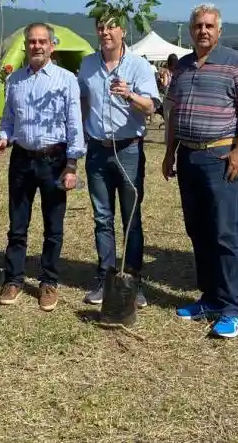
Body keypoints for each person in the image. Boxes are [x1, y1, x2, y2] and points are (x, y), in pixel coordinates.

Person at [162, 4, 238, 339]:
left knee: (225, 234)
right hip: (188, 158)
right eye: (197, 26)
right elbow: (175, 112)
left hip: (220, 157)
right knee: (198, 230)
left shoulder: (234, 62)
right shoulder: (184, 66)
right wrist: (169, 152)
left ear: (219, 30)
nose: (203, 31)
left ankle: (233, 308)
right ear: (191, 30)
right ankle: (210, 297)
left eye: (209, 26)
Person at [0, 23, 85, 312]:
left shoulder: (66, 79)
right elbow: (8, 120)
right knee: (17, 225)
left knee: (53, 227)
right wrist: (3, 140)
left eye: (42, 41)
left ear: (52, 45)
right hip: (21, 159)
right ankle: (14, 279)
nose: (37, 46)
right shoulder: (14, 80)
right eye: (32, 41)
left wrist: (71, 164)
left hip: (54, 160)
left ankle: (48, 281)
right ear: (26, 45)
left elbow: (74, 124)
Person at [77, 17, 160, 308]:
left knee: (131, 219)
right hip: (98, 151)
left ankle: (133, 280)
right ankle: (106, 276)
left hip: (129, 150)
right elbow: (83, 100)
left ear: (123, 30)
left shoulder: (139, 65)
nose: (105, 31)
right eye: (101, 26)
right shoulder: (87, 64)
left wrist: (130, 95)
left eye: (112, 26)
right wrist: (83, 135)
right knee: (102, 217)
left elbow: (151, 106)